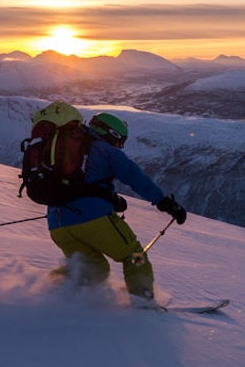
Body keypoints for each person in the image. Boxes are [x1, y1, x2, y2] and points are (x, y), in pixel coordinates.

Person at [46, 111, 187, 302]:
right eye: (120, 141)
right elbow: (136, 178)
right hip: (93, 220)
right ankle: (144, 303)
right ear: (111, 134)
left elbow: (83, 183)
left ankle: (52, 293)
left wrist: (111, 199)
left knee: (91, 268)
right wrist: (164, 202)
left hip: (57, 224)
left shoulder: (67, 148)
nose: (119, 146)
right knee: (135, 256)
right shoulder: (106, 151)